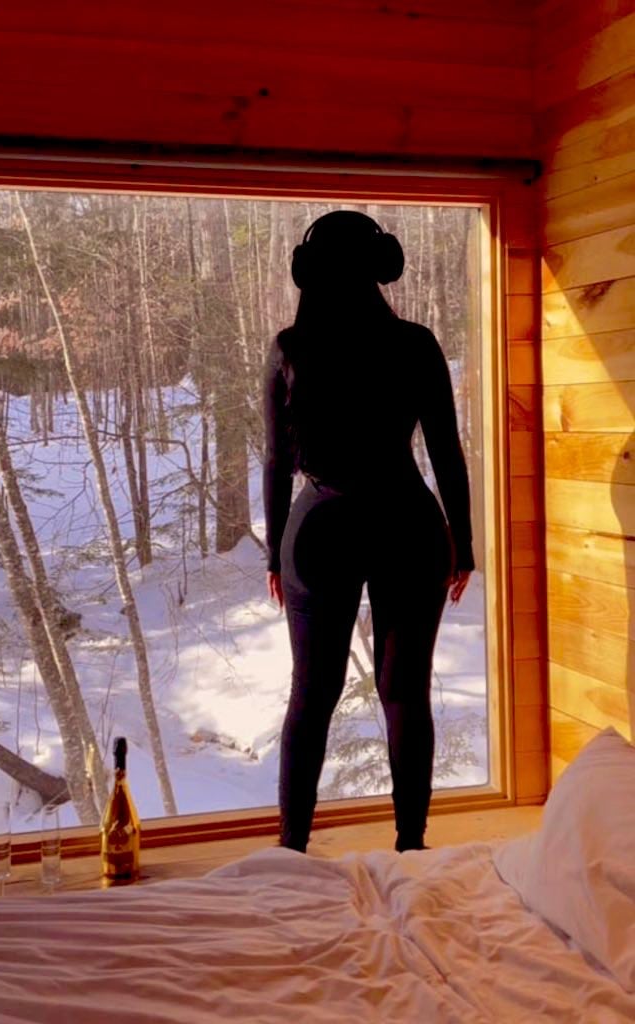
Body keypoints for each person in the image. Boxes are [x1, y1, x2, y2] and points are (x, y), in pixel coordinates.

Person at [263, 209, 474, 855]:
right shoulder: (415, 343)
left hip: (318, 529)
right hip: (407, 523)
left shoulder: (291, 347)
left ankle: (292, 848)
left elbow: (275, 459)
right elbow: (445, 450)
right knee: (405, 691)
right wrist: (462, 543)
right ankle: (411, 847)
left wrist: (274, 554)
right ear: (381, 266)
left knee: (312, 692)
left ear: (309, 269)